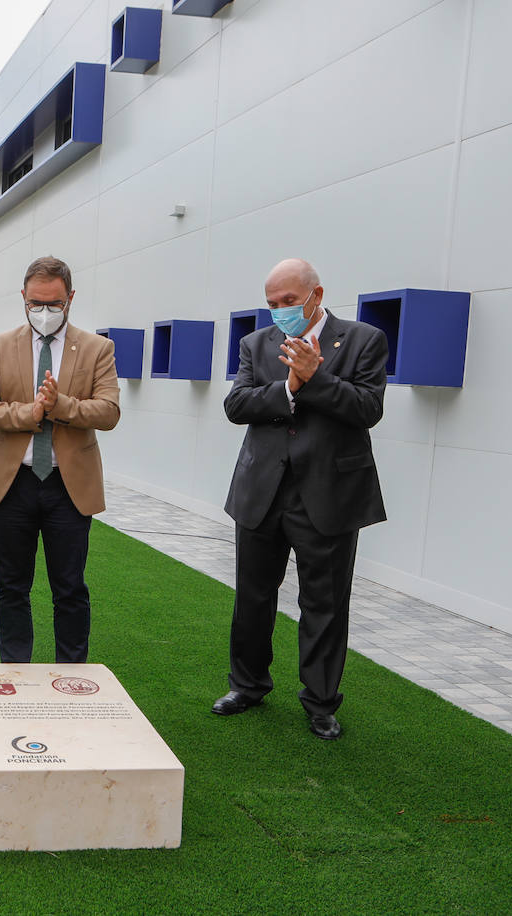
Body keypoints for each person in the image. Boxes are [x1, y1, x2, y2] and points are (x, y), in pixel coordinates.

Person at [212, 258, 389, 742]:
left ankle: (321, 704)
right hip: (261, 493)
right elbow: (236, 406)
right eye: (272, 304)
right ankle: (247, 686)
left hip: (329, 494)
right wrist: (288, 387)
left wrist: (317, 379)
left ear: (316, 294)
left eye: (289, 302)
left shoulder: (362, 340)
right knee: (252, 597)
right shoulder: (256, 343)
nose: (280, 312)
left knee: (325, 603)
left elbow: (368, 409)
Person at [0, 256, 122, 666]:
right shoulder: (2, 344)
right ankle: (16, 670)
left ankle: (69, 677)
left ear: (70, 299)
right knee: (11, 586)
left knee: (70, 588)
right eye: (36, 303)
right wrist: (28, 414)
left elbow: (108, 412)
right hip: (12, 483)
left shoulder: (97, 348)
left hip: (67, 487)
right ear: (23, 297)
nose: (45, 312)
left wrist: (60, 406)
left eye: (54, 304)